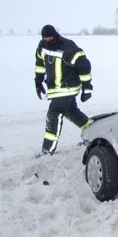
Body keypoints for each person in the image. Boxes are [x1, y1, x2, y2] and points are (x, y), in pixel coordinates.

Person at [34, 25, 93, 157]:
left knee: (53, 115)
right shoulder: (42, 46)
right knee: (72, 113)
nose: (48, 42)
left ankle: (47, 151)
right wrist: (38, 82)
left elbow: (84, 66)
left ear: (56, 36)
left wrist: (87, 88)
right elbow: (39, 64)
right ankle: (95, 133)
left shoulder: (68, 47)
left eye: (51, 39)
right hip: (55, 89)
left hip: (68, 88)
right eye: (45, 40)